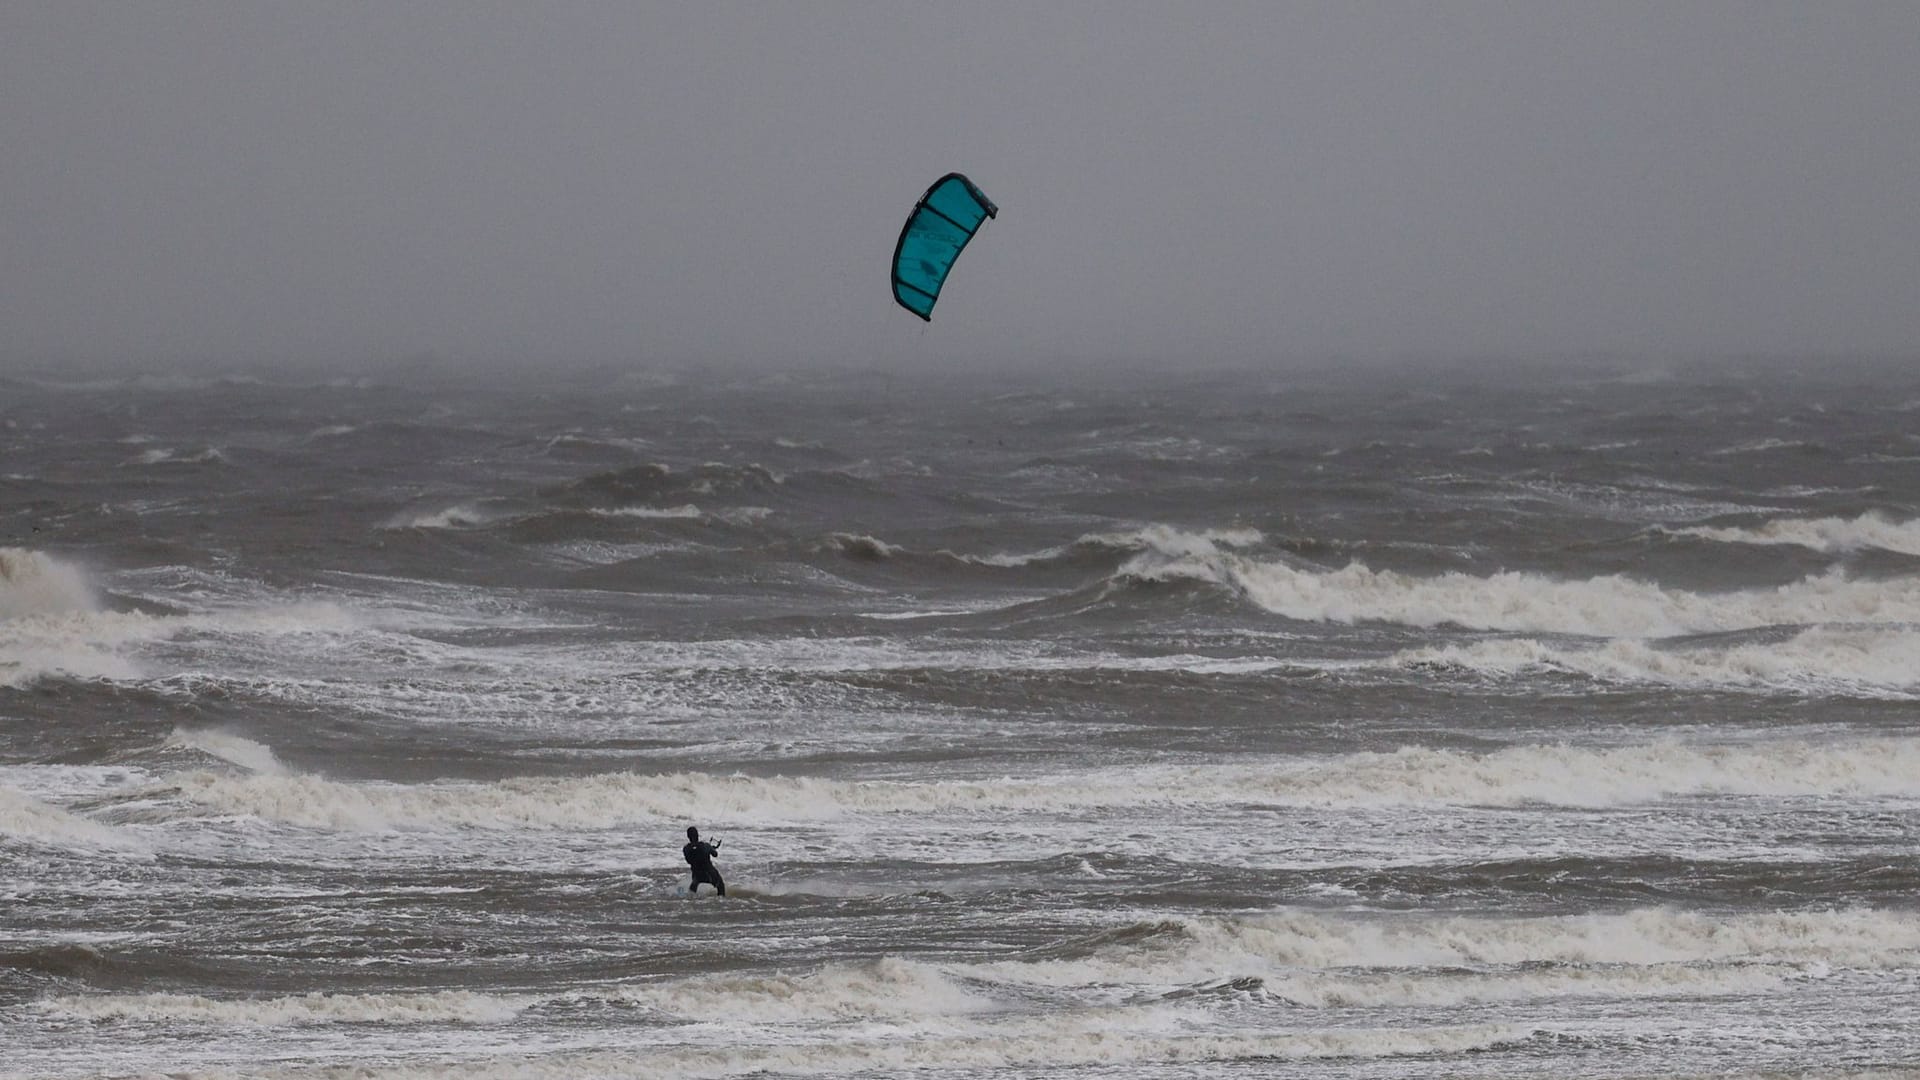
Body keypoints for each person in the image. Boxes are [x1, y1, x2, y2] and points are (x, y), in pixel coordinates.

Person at [682, 826, 725, 896]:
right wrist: (711, 848)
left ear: (688, 837)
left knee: (693, 886)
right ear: (697, 835)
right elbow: (715, 854)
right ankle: (721, 900)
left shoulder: (686, 849)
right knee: (721, 885)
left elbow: (688, 861)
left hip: (697, 875)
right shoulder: (705, 846)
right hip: (710, 873)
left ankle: (691, 899)